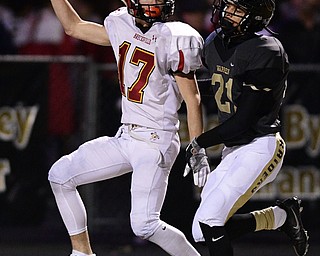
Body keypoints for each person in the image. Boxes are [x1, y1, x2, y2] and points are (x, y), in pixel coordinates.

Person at [48, 0, 211, 255]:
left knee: (145, 225)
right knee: (60, 175)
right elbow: (74, 27)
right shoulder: (120, 23)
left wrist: (198, 146)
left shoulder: (175, 36)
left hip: (157, 140)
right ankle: (83, 253)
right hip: (127, 136)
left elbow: (193, 98)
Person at [183, 0, 310, 256]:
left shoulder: (267, 50)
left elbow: (243, 122)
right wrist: (181, 88)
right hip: (234, 148)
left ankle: (283, 216)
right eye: (228, 6)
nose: (228, 13)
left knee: (210, 220)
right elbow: (221, 85)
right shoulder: (215, 42)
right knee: (200, 231)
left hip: (260, 145)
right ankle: (281, 217)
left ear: (255, 18)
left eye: (237, 10)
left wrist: (198, 143)